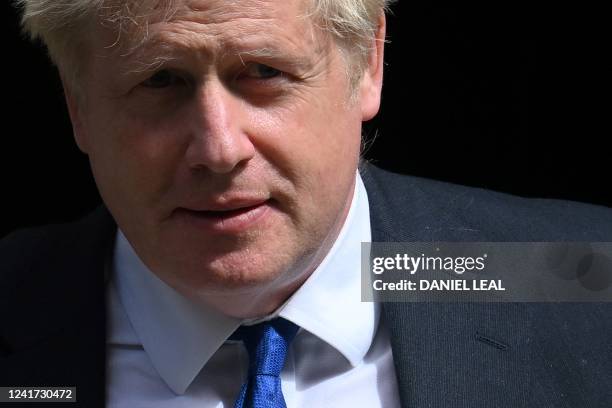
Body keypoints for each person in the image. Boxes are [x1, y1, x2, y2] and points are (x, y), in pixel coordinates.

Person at [1, 0, 611, 407]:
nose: (218, 149)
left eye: (263, 71)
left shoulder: (582, 284)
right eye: (160, 80)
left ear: (367, 65)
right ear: (77, 104)